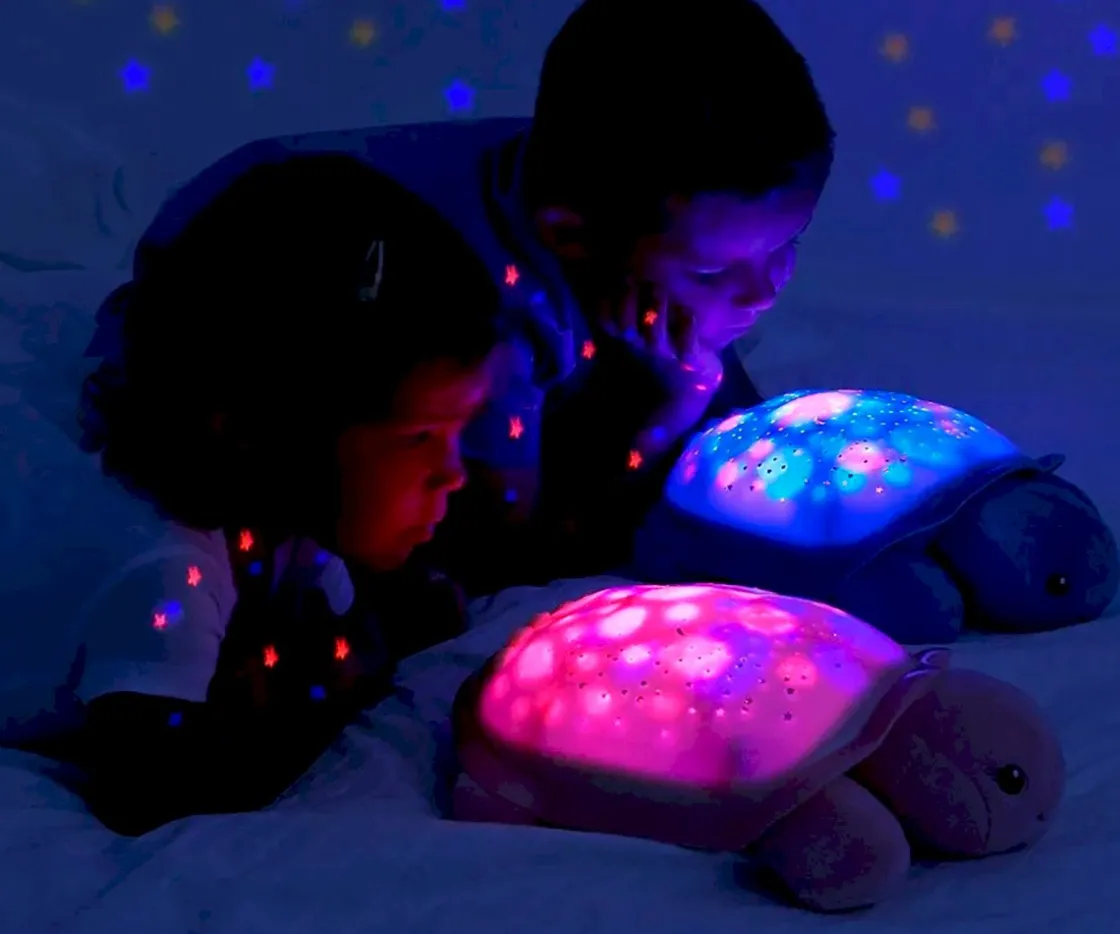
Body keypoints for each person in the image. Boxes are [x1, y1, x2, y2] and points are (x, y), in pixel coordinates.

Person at [129, 0, 834, 591]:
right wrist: (664, 411)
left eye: (787, 244)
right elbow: (512, 557)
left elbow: (743, 444)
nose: (765, 287)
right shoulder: (474, 323)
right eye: (712, 272)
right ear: (571, 236)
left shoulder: (644, 188)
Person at [1, 152, 501, 835]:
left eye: (458, 430)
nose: (454, 472)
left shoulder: (282, 498)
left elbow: (344, 609)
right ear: (265, 427)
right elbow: (153, 791)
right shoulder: (162, 571)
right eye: (418, 438)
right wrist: (334, 691)